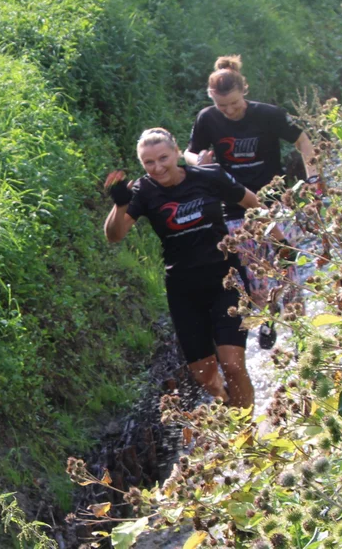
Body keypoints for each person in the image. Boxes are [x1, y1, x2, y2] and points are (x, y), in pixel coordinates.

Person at [104, 128, 261, 408]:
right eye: (149, 163)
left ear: (177, 152)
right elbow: (114, 235)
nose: (158, 167)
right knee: (206, 378)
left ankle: (248, 438)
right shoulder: (143, 191)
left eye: (163, 158)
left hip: (226, 280)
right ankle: (231, 407)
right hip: (184, 289)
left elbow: (253, 204)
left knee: (233, 365)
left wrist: (256, 248)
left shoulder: (209, 176)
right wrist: (120, 204)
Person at [183, 56, 319, 348]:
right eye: (223, 106)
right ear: (212, 100)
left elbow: (303, 140)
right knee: (255, 272)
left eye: (234, 104)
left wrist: (313, 177)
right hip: (235, 205)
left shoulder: (268, 115)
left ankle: (304, 338)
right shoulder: (207, 118)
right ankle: (269, 319)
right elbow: (190, 153)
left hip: (273, 200)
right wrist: (199, 161)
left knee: (286, 263)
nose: (230, 111)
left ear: (244, 89)